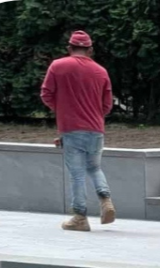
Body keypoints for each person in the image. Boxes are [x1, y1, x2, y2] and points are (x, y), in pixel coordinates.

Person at [40, 30, 115, 232]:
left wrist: (63, 109)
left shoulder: (58, 66)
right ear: (90, 50)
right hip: (96, 129)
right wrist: (93, 114)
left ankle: (80, 217)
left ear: (69, 48)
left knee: (77, 174)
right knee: (94, 167)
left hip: (71, 129)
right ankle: (105, 199)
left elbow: (46, 94)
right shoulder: (101, 71)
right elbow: (107, 105)